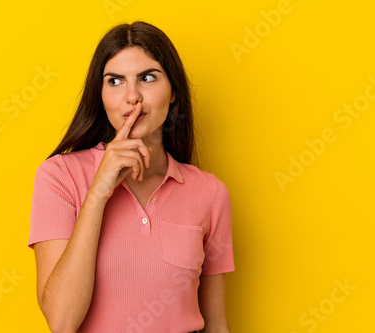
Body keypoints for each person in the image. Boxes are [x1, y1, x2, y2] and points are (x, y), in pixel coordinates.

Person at [28, 21, 234, 333]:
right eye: (115, 81)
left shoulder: (210, 193)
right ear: (100, 95)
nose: (132, 96)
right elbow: (61, 321)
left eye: (147, 78)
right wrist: (97, 193)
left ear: (174, 91)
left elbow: (216, 323)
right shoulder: (59, 176)